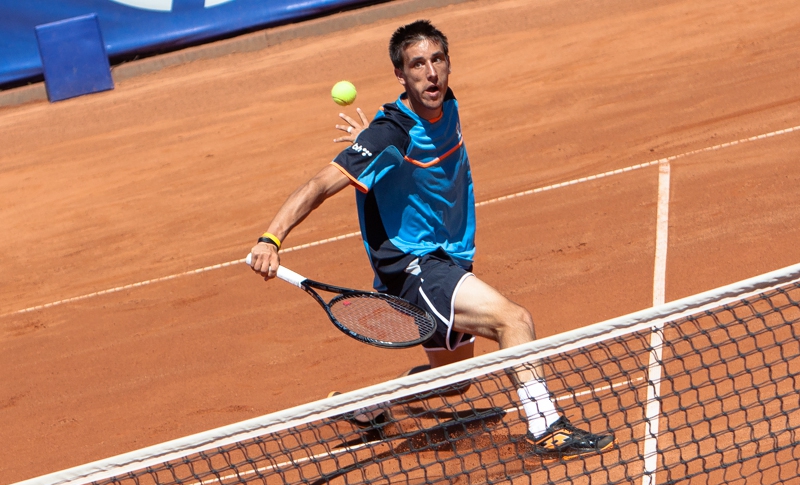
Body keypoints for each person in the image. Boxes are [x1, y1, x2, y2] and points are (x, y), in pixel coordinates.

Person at [249, 20, 613, 459]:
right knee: (513, 320)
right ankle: (547, 427)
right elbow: (320, 184)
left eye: (437, 60)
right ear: (400, 75)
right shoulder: (392, 134)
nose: (431, 73)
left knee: (455, 382)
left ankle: (367, 408)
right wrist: (271, 238)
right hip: (416, 266)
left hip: (451, 257)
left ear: (449, 64)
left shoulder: (445, 101)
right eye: (417, 65)